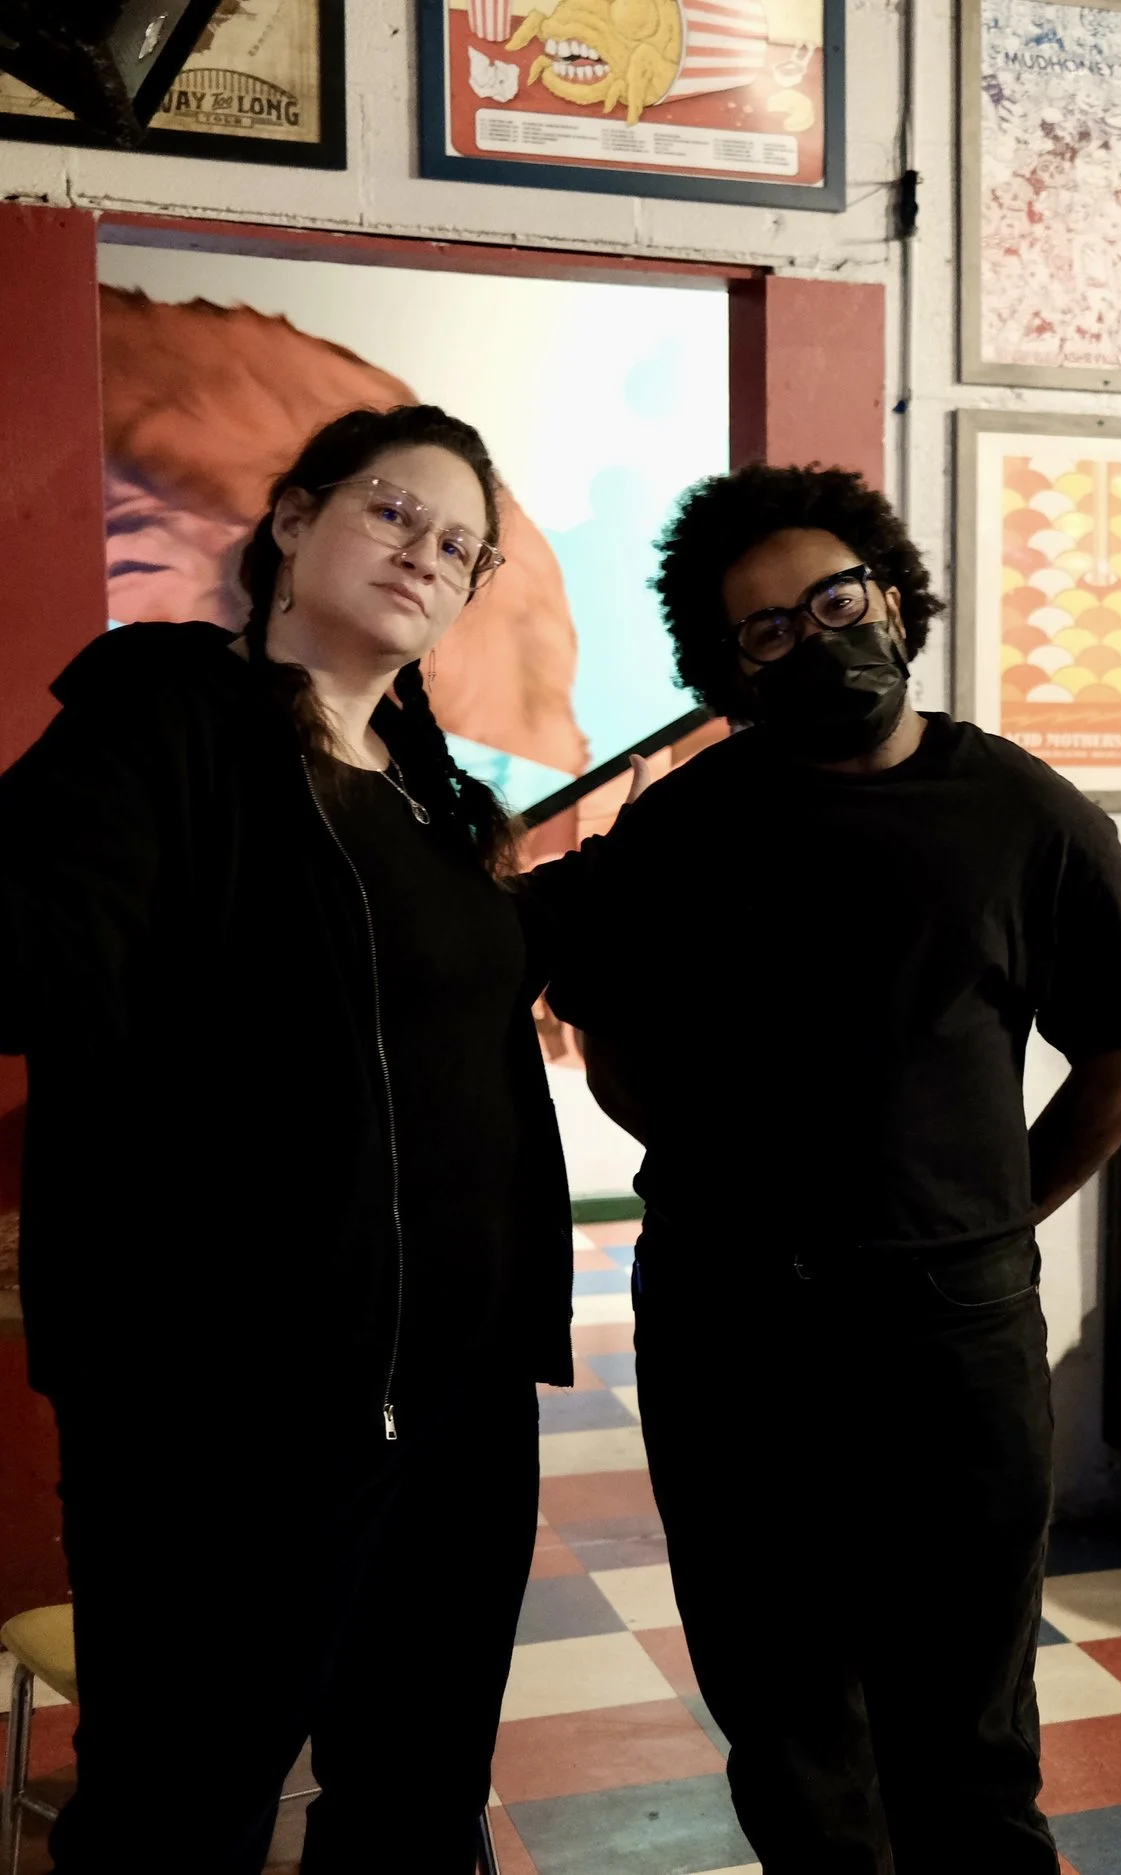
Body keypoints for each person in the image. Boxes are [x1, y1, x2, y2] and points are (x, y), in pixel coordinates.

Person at [525, 463, 1121, 1873]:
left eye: (834, 601)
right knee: (787, 1725)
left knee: (970, 1739)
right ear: (731, 667)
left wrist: (987, 1217)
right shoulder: (685, 824)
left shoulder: (1031, 816)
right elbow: (606, 1020)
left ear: (891, 594)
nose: (816, 641)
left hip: (954, 1333)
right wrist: (719, 1164)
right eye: (769, 630)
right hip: (729, 1323)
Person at [0, 404, 574, 1873]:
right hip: (230, 1405)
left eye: (461, 547)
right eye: (393, 511)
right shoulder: (166, 723)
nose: (425, 553)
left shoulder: (438, 801)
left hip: (460, 1398)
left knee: (416, 1797)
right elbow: (44, 955)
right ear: (296, 519)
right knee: (179, 1810)